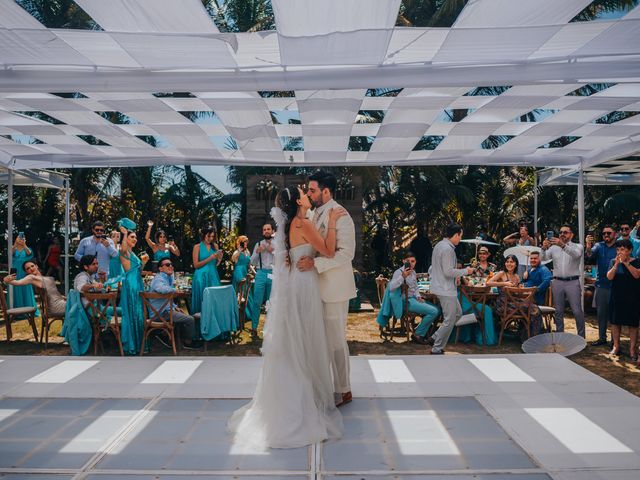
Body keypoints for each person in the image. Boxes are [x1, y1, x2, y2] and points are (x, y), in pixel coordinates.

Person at [228, 185, 345, 448]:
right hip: (305, 284)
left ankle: (301, 389)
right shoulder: (302, 222)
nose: (307, 194)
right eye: (304, 192)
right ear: (298, 200)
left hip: (297, 281)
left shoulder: (294, 223)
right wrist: (334, 222)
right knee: (306, 335)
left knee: (299, 335)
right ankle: (305, 396)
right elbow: (327, 250)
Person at [298, 170, 356, 407]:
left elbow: (346, 254)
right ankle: (321, 387)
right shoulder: (312, 213)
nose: (309, 194)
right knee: (317, 341)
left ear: (326, 191)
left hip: (334, 289)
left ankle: (344, 389)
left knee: (334, 341)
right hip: (314, 288)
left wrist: (315, 264)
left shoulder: (341, 215)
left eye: (312, 190)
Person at [418, 224, 473, 355]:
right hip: (446, 289)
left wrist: (456, 277)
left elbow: (440, 269)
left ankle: (436, 336)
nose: (460, 238)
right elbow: (448, 271)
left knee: (458, 313)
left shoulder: (439, 245)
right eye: (460, 235)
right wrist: (465, 271)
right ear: (455, 235)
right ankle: (436, 347)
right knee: (450, 319)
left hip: (442, 286)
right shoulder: (448, 249)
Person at [376, 253, 439, 346]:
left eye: (413, 261)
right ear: (404, 261)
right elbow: (391, 287)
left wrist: (418, 296)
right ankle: (418, 334)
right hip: (405, 301)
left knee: (438, 309)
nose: (410, 263)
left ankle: (422, 331)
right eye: (408, 261)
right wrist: (403, 276)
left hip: (414, 299)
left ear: (415, 262)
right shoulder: (398, 272)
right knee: (434, 311)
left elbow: (416, 287)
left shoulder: (413, 272)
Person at [542, 225, 586, 337]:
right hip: (557, 282)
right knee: (558, 311)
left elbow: (576, 255)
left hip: (573, 282)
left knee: (576, 311)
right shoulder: (553, 248)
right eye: (561, 232)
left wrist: (562, 245)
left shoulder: (578, 246)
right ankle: (560, 335)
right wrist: (543, 248)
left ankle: (581, 337)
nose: (562, 234)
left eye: (565, 232)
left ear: (571, 234)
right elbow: (543, 259)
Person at [149, 258, 202, 350]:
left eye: (171, 264)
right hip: (159, 314)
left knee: (185, 313)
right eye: (167, 265)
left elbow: (165, 299)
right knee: (190, 319)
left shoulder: (167, 278)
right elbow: (161, 289)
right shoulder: (158, 279)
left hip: (164, 311)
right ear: (160, 269)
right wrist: (175, 290)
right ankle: (188, 343)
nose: (171, 266)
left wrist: (175, 306)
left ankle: (165, 335)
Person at [606, 239, 640, 361]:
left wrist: (626, 263)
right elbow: (609, 277)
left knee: (632, 324)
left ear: (630, 250)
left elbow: (637, 275)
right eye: (618, 249)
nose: (620, 252)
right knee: (615, 322)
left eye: (623, 249)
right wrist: (616, 264)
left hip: (633, 297)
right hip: (616, 296)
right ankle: (616, 346)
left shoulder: (636, 261)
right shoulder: (613, 262)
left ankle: (632, 349)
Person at [118, 225, 148, 355]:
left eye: (135, 237)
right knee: (132, 312)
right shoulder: (124, 251)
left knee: (139, 313)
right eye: (132, 237)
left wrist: (144, 263)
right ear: (126, 238)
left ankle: (139, 345)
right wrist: (124, 234)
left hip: (137, 283)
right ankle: (132, 345)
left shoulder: (133, 253)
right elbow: (123, 249)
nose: (135, 239)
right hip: (130, 285)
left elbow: (139, 271)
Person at [585, 226, 617, 346]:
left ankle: (615, 341)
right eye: (604, 233)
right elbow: (589, 256)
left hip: (616, 286)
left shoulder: (619, 246)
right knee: (601, 314)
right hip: (601, 284)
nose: (606, 235)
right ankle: (602, 338)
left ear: (614, 234)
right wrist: (588, 245)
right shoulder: (599, 246)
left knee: (614, 314)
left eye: (609, 233)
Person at [245, 223, 275, 336]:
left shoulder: (278, 244)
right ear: (262, 232)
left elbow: (282, 259)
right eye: (264, 229)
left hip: (273, 274)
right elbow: (252, 262)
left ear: (272, 231)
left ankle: (271, 329)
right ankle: (254, 328)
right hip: (261, 274)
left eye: (268, 229)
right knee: (257, 302)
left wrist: (270, 249)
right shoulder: (258, 244)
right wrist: (257, 252)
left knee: (271, 303)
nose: (266, 231)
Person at [191, 226, 222, 314]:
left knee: (214, 300)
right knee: (202, 300)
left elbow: (215, 264)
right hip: (201, 277)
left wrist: (219, 259)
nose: (211, 238)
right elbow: (196, 265)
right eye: (209, 236)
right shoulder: (197, 247)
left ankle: (213, 324)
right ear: (204, 235)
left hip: (213, 276)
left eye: (212, 236)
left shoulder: (215, 246)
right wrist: (211, 257)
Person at [9, 234, 38, 313]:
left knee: (26, 286)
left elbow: (29, 253)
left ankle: (28, 309)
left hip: (24, 269)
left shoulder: (27, 249)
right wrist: (15, 243)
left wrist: (24, 244)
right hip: (14, 269)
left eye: (22, 239)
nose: (20, 240)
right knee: (15, 286)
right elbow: (10, 253)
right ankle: (15, 310)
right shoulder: (13, 247)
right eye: (19, 239)